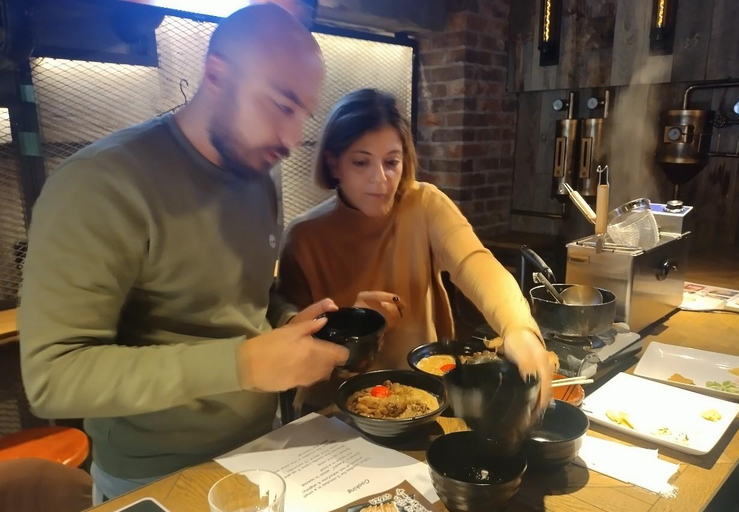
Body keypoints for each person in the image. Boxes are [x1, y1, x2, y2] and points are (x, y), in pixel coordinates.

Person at [19, 4, 348, 503]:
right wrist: (242, 364)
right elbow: (52, 375)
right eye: (281, 106)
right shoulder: (100, 185)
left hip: (263, 447)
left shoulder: (261, 172)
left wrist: (287, 321)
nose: (291, 139)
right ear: (217, 74)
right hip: (153, 473)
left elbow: (248, 298)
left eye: (303, 114)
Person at [276, 88, 554, 413]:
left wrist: (517, 327)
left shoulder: (424, 205)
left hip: (423, 399)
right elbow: (289, 341)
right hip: (333, 413)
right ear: (333, 163)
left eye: (391, 162)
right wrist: (357, 325)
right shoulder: (304, 236)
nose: (380, 179)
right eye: (361, 162)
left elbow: (475, 264)